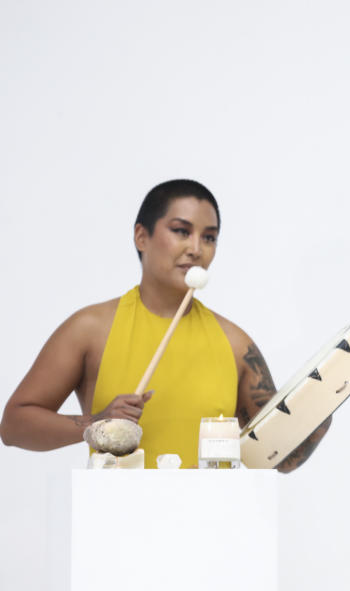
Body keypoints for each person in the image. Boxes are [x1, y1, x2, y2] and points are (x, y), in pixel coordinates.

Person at [1, 179, 327, 471]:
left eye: (209, 237)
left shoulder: (235, 343)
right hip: (116, 525)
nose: (196, 249)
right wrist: (96, 424)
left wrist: (324, 401)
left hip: (216, 526)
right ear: (142, 236)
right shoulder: (89, 329)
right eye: (181, 231)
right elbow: (14, 425)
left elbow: (279, 457)